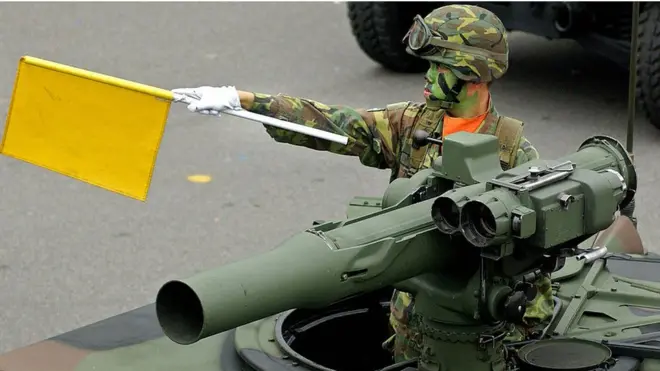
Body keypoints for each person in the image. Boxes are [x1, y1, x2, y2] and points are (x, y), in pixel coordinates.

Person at [172, 4, 554, 362]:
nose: (427, 75)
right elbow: (331, 123)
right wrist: (244, 102)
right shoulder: (410, 124)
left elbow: (533, 260)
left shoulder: (513, 154)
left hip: (479, 335)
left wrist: (523, 337)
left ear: (470, 73)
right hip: (414, 322)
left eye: (439, 67)